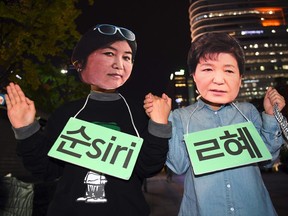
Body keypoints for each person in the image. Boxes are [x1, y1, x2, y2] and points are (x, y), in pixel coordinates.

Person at [5, 23, 172, 216]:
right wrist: (26, 130)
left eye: (127, 57)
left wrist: (159, 125)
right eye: (109, 53)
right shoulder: (65, 113)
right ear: (80, 63)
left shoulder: (139, 112)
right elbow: (46, 170)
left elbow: (148, 167)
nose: (119, 64)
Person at [144, 32, 286, 216]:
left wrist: (270, 115)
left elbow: (268, 159)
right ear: (194, 76)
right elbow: (178, 166)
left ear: (240, 78)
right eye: (208, 69)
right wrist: (161, 121)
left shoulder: (248, 112)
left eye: (228, 71)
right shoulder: (181, 117)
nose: (218, 80)